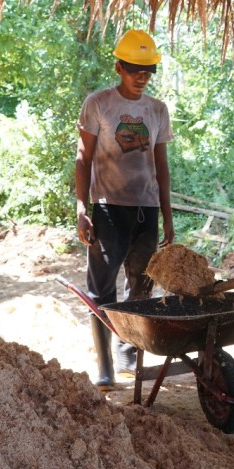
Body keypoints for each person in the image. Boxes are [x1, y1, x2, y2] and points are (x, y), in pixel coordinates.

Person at [75, 29, 175, 390]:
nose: (141, 77)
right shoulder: (99, 104)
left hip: (145, 209)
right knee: (103, 287)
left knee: (141, 284)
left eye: (148, 71)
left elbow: (161, 166)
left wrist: (166, 213)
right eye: (134, 69)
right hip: (107, 209)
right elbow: (83, 159)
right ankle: (105, 366)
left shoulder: (157, 110)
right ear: (118, 67)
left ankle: (127, 352)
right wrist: (81, 209)